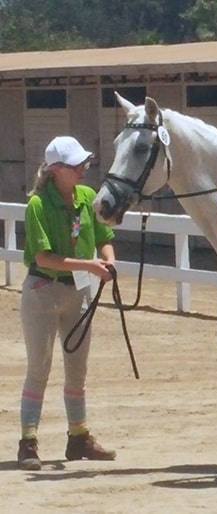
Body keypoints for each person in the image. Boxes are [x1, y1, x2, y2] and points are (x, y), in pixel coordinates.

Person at [18, 136, 117, 471]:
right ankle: (28, 441)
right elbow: (44, 257)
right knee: (39, 366)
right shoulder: (37, 205)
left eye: (83, 162)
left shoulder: (88, 198)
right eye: (75, 164)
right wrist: (90, 266)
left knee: (78, 367)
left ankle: (79, 436)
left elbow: (104, 239)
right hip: (42, 291)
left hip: (79, 292)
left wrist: (109, 261)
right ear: (55, 169)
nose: (82, 168)